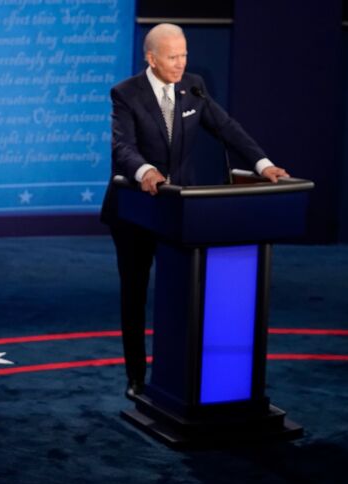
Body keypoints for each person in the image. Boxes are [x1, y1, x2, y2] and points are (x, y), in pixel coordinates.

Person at [99, 24, 289, 400]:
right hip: (135, 211)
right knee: (135, 295)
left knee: (183, 293)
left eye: (184, 54)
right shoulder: (126, 94)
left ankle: (179, 375)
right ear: (151, 59)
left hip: (182, 211)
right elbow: (122, 147)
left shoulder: (194, 87)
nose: (181, 63)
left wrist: (263, 164)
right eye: (172, 57)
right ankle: (136, 376)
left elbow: (228, 129)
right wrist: (145, 171)